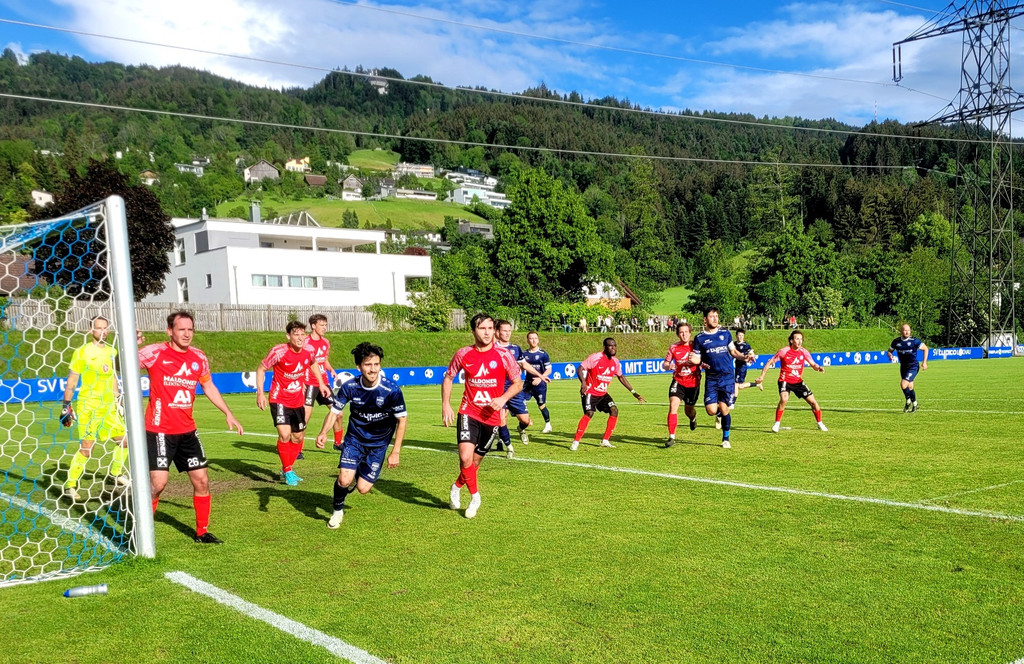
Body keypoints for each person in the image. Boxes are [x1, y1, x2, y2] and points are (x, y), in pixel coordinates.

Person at [138, 310, 243, 544]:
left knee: (202, 481)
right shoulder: (154, 352)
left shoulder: (198, 357)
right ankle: (141, 532)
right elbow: (122, 365)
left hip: (188, 431)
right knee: (157, 484)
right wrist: (129, 348)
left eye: (190, 329)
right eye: (181, 329)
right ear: (170, 331)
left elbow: (208, 386)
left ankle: (201, 532)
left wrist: (228, 413)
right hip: (159, 430)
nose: (187, 334)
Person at [315, 342, 406, 529]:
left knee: (364, 489)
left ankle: (358, 472)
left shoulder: (392, 390)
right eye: (368, 365)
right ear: (359, 367)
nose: (373, 369)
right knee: (344, 479)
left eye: (376, 364)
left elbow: (402, 420)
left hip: (379, 444)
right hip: (355, 440)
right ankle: (337, 511)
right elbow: (334, 412)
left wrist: (395, 451)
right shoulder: (350, 387)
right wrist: (324, 432)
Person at [441, 314, 523, 519]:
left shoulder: (504, 355)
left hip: (492, 417)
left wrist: (503, 398)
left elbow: (517, 383)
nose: (486, 333)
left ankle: (456, 486)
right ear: (473, 331)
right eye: (481, 328)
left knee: (474, 463)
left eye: (489, 328)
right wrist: (445, 405)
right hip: (469, 411)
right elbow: (449, 377)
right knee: (465, 456)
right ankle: (476, 496)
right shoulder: (463, 354)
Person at [60, 316, 128, 501]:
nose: (103, 331)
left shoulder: (112, 351)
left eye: (105, 328)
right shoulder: (82, 352)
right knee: (87, 449)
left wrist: (118, 401)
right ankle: (70, 485)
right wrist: (66, 405)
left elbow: (113, 378)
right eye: (99, 328)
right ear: (91, 330)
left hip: (108, 407)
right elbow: (72, 381)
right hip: (88, 406)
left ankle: (115, 474)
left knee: (125, 441)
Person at [256, 321, 330, 486]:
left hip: (298, 400)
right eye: (296, 334)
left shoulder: (309, 351)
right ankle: (288, 470)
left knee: (298, 437)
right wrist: (260, 393)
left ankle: (286, 468)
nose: (300, 338)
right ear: (288, 336)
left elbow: (314, 364)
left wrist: (322, 383)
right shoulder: (278, 352)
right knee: (284, 434)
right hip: (279, 398)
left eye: (302, 334)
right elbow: (261, 369)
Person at [691, 307, 756, 449]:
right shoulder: (699, 338)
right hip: (712, 378)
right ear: (705, 319)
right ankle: (718, 414)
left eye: (716, 316)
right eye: (711, 316)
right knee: (711, 410)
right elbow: (696, 358)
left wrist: (744, 357)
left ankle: (726, 438)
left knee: (725, 408)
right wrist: (695, 361)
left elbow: (733, 351)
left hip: (727, 376)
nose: (715, 318)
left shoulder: (725, 334)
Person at [570, 338, 645, 450]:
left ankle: (605, 440)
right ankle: (575, 442)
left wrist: (633, 392)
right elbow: (580, 368)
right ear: (604, 347)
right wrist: (583, 383)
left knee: (614, 410)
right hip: (590, 392)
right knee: (589, 413)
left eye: (615, 346)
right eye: (610, 346)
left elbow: (621, 376)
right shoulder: (596, 358)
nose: (613, 348)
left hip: (602, 394)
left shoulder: (615, 362)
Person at [758, 329, 827, 433]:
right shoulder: (783, 351)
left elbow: (813, 364)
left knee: (813, 402)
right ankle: (777, 423)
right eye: (797, 339)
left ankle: (820, 423)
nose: (799, 341)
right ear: (791, 340)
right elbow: (769, 362)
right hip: (785, 380)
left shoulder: (803, 352)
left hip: (798, 381)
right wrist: (762, 376)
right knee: (784, 399)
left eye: (801, 339)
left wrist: (818, 367)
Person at [494, 320, 545, 457]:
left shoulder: (516, 349)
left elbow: (525, 365)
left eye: (509, 330)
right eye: (504, 330)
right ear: (497, 332)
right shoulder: (492, 348)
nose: (507, 333)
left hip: (515, 389)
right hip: (498, 389)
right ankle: (509, 446)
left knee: (526, 421)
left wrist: (540, 375)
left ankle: (520, 429)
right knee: (501, 418)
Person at [303, 314, 343, 454]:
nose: (324, 328)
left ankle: (337, 443)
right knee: (305, 417)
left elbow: (324, 360)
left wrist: (331, 369)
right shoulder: (305, 342)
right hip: (309, 383)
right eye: (321, 325)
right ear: (313, 326)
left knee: (339, 413)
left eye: (325, 325)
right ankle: (297, 448)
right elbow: (301, 362)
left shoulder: (325, 342)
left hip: (324, 384)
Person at [662, 322, 701, 447]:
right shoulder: (673, 347)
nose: (684, 334)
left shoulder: (696, 346)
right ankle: (671, 437)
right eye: (681, 332)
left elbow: (704, 359)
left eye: (686, 332)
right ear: (678, 334)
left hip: (693, 383)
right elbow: (665, 364)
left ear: (690, 333)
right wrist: (669, 366)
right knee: (673, 405)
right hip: (678, 381)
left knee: (689, 410)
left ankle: (693, 418)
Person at [887, 323, 929, 412]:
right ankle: (915, 404)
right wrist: (890, 356)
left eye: (908, 330)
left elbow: (926, 349)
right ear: (901, 331)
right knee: (909, 387)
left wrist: (924, 362)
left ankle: (908, 400)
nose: (907, 332)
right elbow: (889, 351)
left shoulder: (915, 341)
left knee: (903, 384)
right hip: (903, 367)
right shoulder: (896, 342)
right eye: (905, 330)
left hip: (913, 366)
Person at [522, 331, 553, 433]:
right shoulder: (524, 354)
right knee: (521, 402)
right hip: (527, 383)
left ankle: (548, 425)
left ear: (538, 340)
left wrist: (540, 378)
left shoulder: (543, 354)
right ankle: (526, 421)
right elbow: (521, 367)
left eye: (535, 338)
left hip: (540, 385)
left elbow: (549, 369)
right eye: (531, 338)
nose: (533, 340)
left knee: (541, 405)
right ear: (527, 340)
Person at [732, 328, 763, 398]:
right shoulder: (734, 344)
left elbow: (752, 353)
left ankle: (732, 403)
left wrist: (751, 356)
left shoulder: (746, 345)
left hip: (742, 367)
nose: (740, 337)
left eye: (742, 335)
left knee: (736, 385)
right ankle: (757, 384)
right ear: (736, 335)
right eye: (739, 335)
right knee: (740, 386)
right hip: (737, 366)